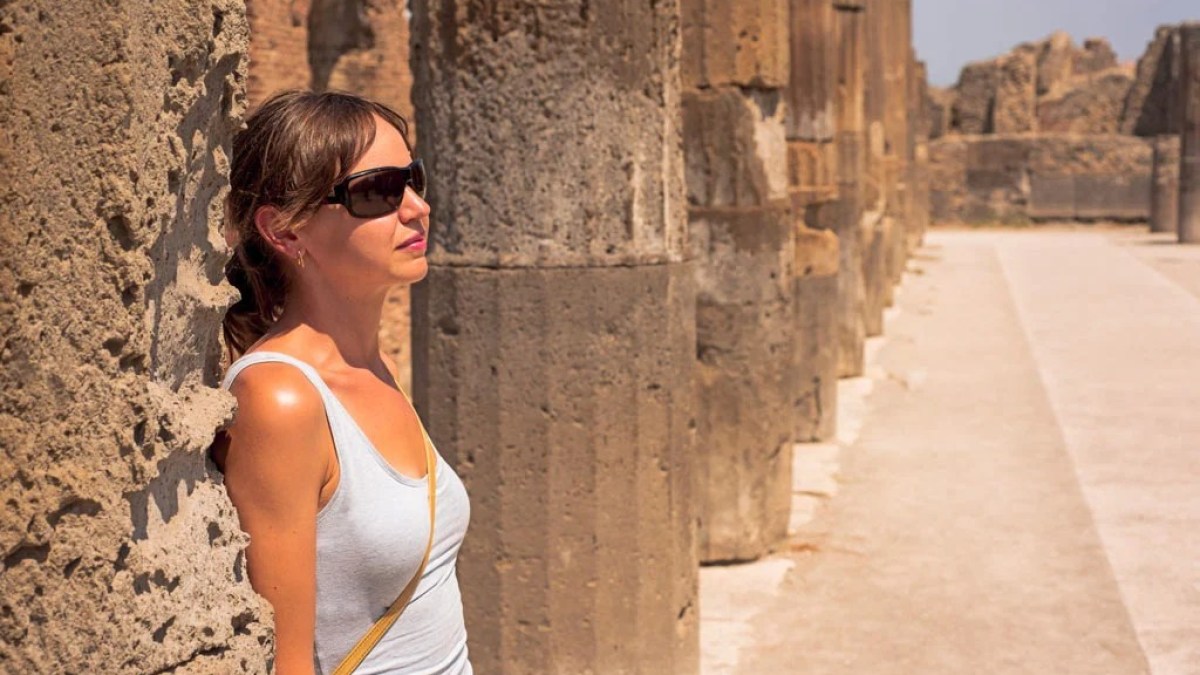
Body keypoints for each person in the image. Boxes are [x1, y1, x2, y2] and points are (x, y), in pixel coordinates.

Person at [209, 90, 472, 674]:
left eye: (414, 178)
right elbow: (288, 664)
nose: (416, 207)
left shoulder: (377, 369)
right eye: (377, 191)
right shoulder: (280, 401)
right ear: (286, 231)